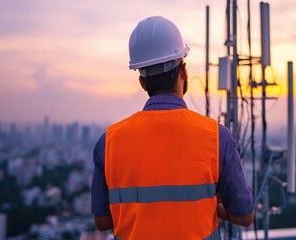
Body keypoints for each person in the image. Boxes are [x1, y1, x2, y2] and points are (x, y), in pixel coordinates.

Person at [91, 16, 254, 239]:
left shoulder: (108, 142)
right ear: (184, 72)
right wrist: (208, 203)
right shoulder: (217, 137)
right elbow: (245, 216)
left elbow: (102, 221)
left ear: (142, 82)